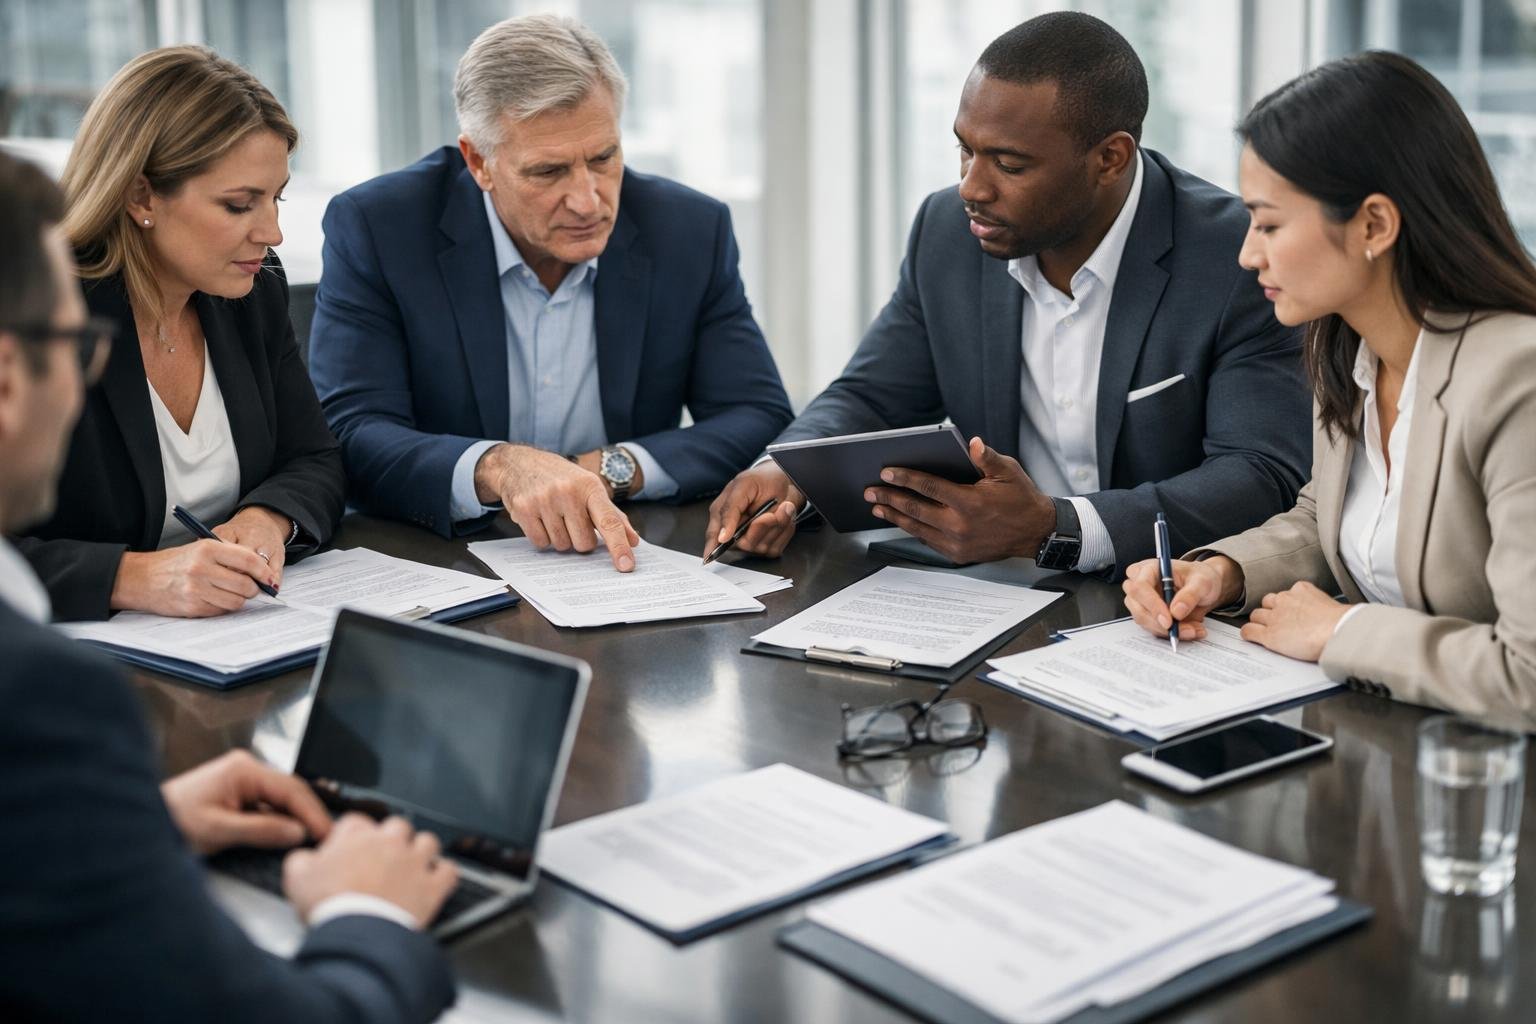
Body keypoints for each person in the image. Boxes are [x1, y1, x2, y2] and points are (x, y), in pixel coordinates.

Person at [0, 149, 456, 1021]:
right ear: (11, 377)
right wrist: (371, 910)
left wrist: (135, 825)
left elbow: (316, 455)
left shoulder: (247, 302)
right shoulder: (41, 703)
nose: (270, 230)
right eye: (77, 345)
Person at [705, 12, 1310, 578]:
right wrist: (786, 472)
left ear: (1110, 158)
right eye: (965, 149)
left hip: (1166, 596)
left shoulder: (1236, 254)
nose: (972, 187)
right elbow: (872, 395)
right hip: (991, 594)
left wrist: (1055, 527)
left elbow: (1261, 474)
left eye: (1010, 165)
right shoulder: (948, 231)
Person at [1122, 52, 1536, 720]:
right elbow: (1330, 517)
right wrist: (1222, 573)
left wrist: (1340, 632)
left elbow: (1530, 673)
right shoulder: (1349, 346)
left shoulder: (1519, 382)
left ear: (1374, 224)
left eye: (1270, 223)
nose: (1248, 253)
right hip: (1388, 750)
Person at [309, 13, 793, 571]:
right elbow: (351, 431)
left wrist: (610, 468)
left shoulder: (687, 229)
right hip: (439, 564)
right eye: (548, 172)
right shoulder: (381, 227)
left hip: (619, 559)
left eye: (604, 157)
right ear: (478, 163)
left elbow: (756, 412)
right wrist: (500, 468)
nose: (588, 200)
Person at [13, 46, 346, 622]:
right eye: (240, 205)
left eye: (276, 198)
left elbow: (314, 456)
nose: (271, 232)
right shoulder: (39, 309)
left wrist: (267, 517)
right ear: (141, 195)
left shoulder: (252, 291)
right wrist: (130, 576)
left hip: (228, 643)